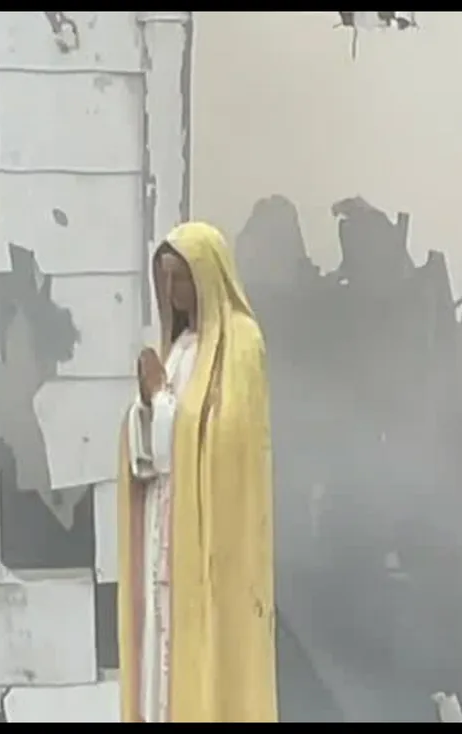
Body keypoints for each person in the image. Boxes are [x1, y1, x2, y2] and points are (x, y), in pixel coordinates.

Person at [116, 222, 277, 722]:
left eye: (180, 279)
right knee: (162, 654)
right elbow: (158, 448)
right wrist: (145, 407)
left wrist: (162, 399)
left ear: (206, 277)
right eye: (165, 280)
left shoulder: (241, 343)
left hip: (211, 542)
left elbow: (226, 438)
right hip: (168, 529)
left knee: (210, 658)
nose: (172, 292)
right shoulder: (182, 347)